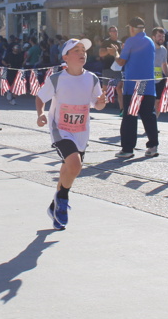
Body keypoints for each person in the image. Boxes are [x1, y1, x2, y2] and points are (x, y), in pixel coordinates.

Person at [35, 38, 106, 230]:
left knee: (69, 170)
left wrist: (101, 102)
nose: (82, 53)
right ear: (65, 57)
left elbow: (97, 104)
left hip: (81, 131)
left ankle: (55, 207)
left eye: (83, 50)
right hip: (60, 129)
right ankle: (63, 200)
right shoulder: (57, 78)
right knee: (75, 164)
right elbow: (40, 98)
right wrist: (41, 114)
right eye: (76, 50)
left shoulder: (92, 78)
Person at [114, 17, 159, 159]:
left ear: (132, 28)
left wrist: (115, 53)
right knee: (149, 116)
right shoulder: (150, 41)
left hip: (133, 85)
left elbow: (121, 61)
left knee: (130, 117)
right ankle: (153, 146)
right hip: (148, 84)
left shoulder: (131, 41)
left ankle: (128, 149)